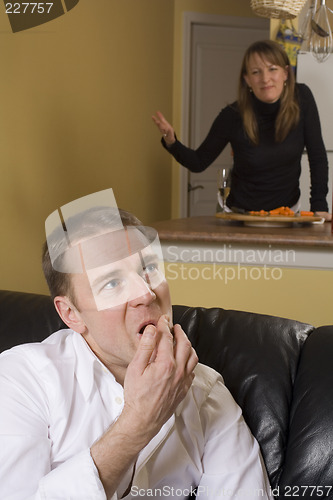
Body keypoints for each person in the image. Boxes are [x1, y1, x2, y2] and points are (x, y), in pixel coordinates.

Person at [0, 189, 271, 500]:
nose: (146, 293)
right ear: (71, 314)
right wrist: (139, 421)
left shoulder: (206, 392)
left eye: (149, 269)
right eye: (112, 283)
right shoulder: (20, 380)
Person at [152, 39, 331, 221]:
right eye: (256, 72)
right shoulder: (232, 115)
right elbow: (199, 162)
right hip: (239, 215)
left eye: (272, 69)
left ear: (285, 73)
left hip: (286, 214)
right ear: (247, 79)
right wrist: (171, 141)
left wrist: (319, 207)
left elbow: (317, 157)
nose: (265, 78)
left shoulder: (303, 99)